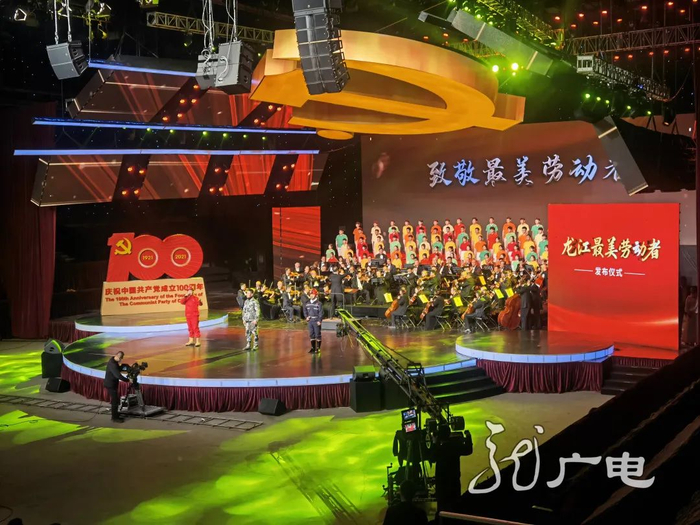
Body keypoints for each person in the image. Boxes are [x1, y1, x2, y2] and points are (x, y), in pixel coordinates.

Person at [103, 351, 131, 424]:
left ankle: (115, 414)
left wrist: (126, 367)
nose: (121, 360)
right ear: (118, 357)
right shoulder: (112, 364)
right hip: (110, 385)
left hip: (113, 384)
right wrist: (128, 380)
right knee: (115, 401)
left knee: (115, 400)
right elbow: (118, 375)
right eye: (121, 358)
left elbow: (118, 368)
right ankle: (114, 418)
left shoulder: (114, 361)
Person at [304, 288, 324, 354]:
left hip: (316, 321)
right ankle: (313, 348)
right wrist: (306, 317)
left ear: (316, 295)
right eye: (310, 294)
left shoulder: (319, 303)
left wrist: (319, 320)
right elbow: (305, 310)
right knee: (311, 334)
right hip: (310, 321)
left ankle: (318, 348)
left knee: (317, 334)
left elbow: (321, 313)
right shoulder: (307, 303)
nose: (311, 295)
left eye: (313, 294)